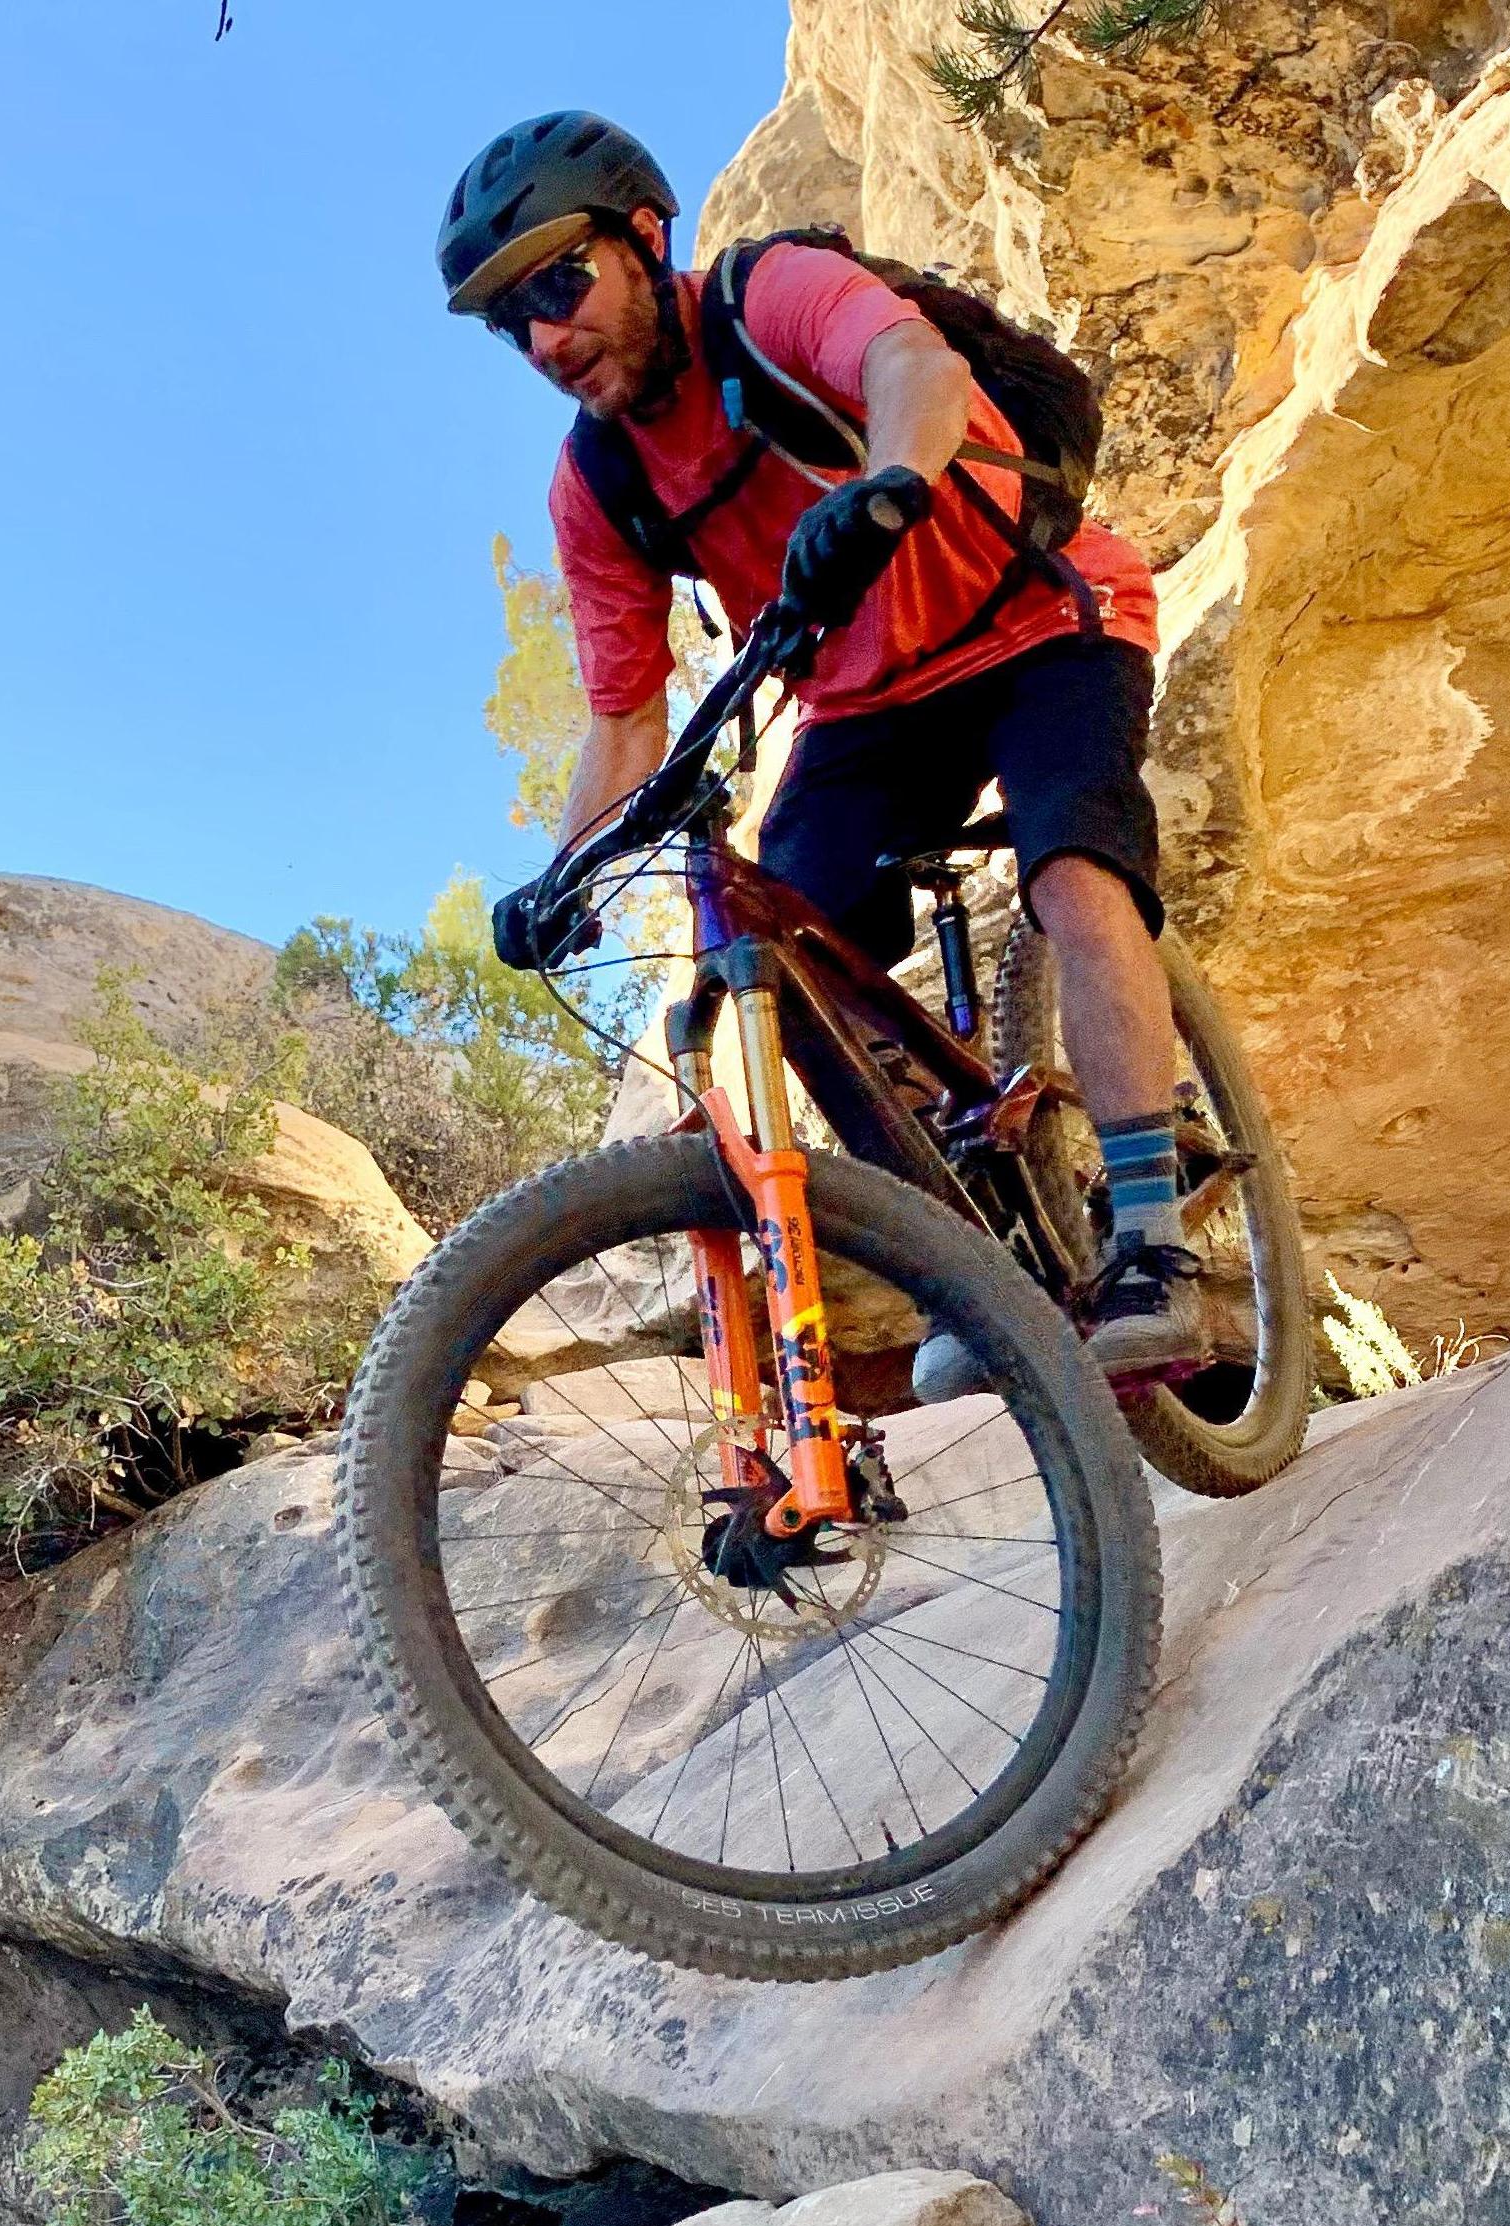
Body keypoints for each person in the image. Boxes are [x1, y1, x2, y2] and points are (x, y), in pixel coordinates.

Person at [442, 111, 1201, 1390]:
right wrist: (560, 876)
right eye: (510, 323)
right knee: (784, 967)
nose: (545, 339)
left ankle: (1151, 1242)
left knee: (1073, 871)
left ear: (644, 237)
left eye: (560, 286)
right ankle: (974, 1269)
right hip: (862, 705)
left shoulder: (768, 295)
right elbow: (624, 716)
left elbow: (910, 363)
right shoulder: (597, 486)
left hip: (1035, 618)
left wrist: (889, 482)